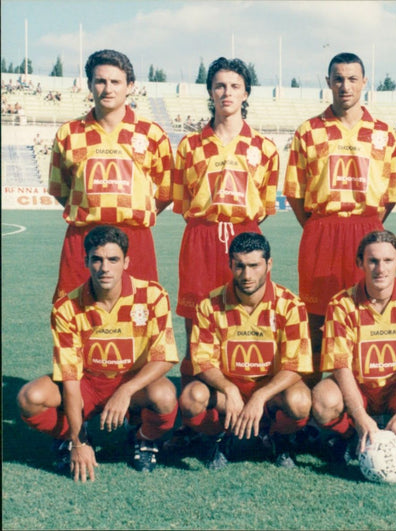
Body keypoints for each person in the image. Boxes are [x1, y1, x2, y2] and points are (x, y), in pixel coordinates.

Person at [17, 226, 179, 481]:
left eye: (113, 260)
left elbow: (164, 357)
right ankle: (70, 438)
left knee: (166, 396)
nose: (105, 268)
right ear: (86, 261)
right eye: (97, 259)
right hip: (87, 384)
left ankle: (142, 439)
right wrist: (78, 442)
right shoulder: (66, 307)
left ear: (126, 262)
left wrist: (125, 391)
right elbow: (70, 380)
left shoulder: (153, 296)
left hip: (131, 382)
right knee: (30, 397)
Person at [283, 52, 396, 382]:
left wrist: (369, 225)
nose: (345, 85)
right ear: (328, 82)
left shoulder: (383, 134)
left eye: (352, 79)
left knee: (363, 313)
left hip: (366, 230)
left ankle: (359, 399)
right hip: (322, 229)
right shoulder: (309, 131)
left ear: (364, 82)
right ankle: (312, 406)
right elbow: (295, 191)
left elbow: (390, 193)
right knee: (317, 320)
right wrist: (319, 226)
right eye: (338, 78)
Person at [171, 57, 279, 369]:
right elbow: (182, 203)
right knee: (197, 320)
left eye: (234, 86)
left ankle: (243, 392)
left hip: (246, 235)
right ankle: (196, 408)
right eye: (219, 86)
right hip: (201, 235)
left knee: (244, 316)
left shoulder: (265, 147)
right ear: (210, 92)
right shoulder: (189, 145)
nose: (226, 92)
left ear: (246, 93)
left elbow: (265, 207)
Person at [311, 231, 396, 461]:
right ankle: (352, 434)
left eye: (387, 261)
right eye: (373, 261)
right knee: (322, 401)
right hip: (359, 386)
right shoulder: (341, 304)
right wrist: (358, 415)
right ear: (360, 263)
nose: (380, 268)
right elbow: (340, 366)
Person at [178, 232, 313, 469]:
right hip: (227, 392)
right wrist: (229, 389)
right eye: (239, 266)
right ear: (230, 264)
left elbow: (296, 365)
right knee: (191, 398)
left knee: (300, 401)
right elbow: (202, 361)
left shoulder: (290, 305)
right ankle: (220, 436)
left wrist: (261, 396)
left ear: (268, 264)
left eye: (254, 266)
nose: (247, 275)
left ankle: (277, 436)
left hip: (270, 393)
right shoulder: (210, 305)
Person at [48, 49, 173, 302]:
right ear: (89, 85)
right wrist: (90, 210)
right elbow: (61, 189)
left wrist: (135, 212)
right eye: (101, 81)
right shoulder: (69, 134)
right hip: (83, 236)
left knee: (139, 314)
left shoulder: (152, 134)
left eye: (115, 82)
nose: (108, 89)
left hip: (134, 238)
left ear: (130, 86)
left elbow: (166, 191)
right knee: (73, 313)